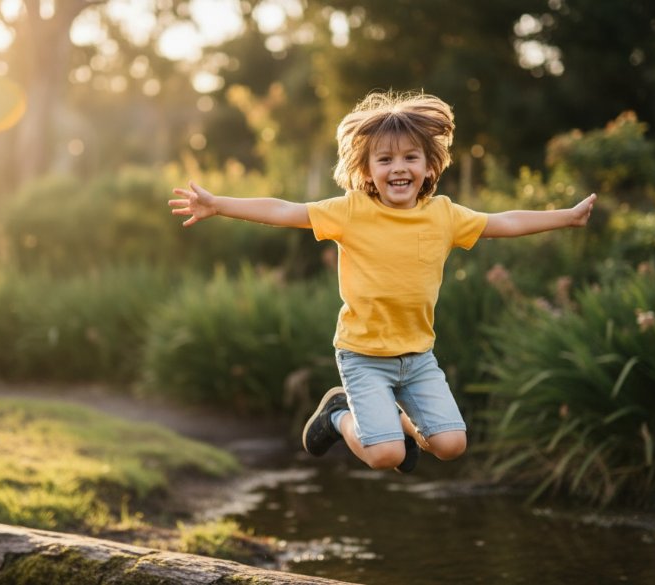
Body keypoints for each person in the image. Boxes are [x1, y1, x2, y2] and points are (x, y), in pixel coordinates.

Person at [169, 90, 596, 473]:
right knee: (386, 456)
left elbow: (506, 221)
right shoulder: (351, 211)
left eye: (410, 157)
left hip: (417, 357)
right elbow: (285, 210)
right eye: (385, 160)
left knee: (451, 445)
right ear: (367, 170)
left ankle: (393, 425)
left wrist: (567, 216)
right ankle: (338, 413)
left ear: (430, 166)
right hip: (363, 355)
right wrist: (218, 204)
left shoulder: (445, 215)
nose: (399, 168)